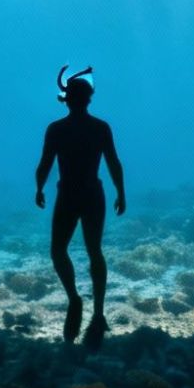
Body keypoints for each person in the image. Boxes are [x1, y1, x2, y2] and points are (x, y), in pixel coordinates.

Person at [35, 66, 125, 348]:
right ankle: (97, 313)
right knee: (94, 251)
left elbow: (45, 163)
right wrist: (121, 192)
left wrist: (39, 188)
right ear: (88, 99)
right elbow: (113, 162)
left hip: (68, 195)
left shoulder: (57, 129)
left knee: (58, 250)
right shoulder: (100, 128)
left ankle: (74, 298)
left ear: (67, 99)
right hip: (92, 194)